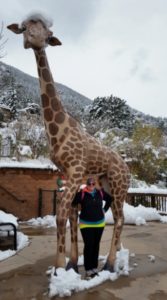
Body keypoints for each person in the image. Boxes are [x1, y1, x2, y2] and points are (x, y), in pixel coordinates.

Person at [72, 177, 112, 279]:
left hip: (99, 224)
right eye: (89, 184)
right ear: (87, 184)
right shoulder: (82, 194)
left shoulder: (100, 193)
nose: (91, 185)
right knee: (89, 245)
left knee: (96, 245)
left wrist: (104, 210)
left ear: (96, 184)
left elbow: (110, 199)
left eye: (93, 184)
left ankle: (94, 267)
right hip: (86, 224)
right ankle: (88, 268)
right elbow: (72, 202)